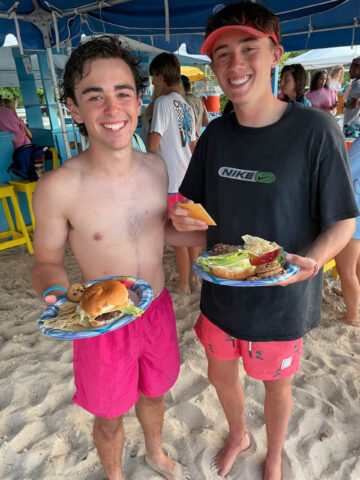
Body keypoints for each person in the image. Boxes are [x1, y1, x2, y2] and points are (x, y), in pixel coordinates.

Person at [169, 3, 358, 480]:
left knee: (276, 385)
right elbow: (191, 218)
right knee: (218, 375)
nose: (236, 65)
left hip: (283, 298)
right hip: (220, 295)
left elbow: (342, 224)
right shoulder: (214, 135)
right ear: (212, 67)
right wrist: (165, 220)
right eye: (223, 54)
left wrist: (311, 263)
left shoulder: (315, 130)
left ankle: (273, 453)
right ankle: (238, 434)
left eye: (248, 48)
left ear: (275, 53)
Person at [31, 36, 197, 480]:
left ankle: (156, 453)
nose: (112, 108)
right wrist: (53, 292)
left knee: (156, 393)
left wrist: (186, 229)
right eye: (94, 96)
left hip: (157, 308)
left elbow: (154, 232)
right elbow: (45, 259)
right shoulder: (57, 188)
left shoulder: (155, 167)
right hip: (102, 324)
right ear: (72, 107)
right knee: (108, 415)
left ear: (140, 100)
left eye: (123, 93)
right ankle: (115, 475)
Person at [148, 53, 199, 294]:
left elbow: (153, 143)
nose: (153, 84)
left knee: (178, 235)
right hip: (189, 176)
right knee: (190, 231)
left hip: (171, 179)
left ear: (159, 76)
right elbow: (193, 145)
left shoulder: (162, 102)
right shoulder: (185, 104)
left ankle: (184, 283)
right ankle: (195, 277)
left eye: (153, 79)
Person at [335, 136, 360, 327]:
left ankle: (352, 316)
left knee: (347, 270)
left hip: (354, 212)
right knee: (356, 266)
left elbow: (345, 173)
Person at [181, 74, 210, 139]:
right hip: (198, 141)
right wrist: (197, 123)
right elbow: (206, 122)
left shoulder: (180, 101)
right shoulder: (199, 100)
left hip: (186, 142)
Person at [343, 56, 360, 139]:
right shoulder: (356, 82)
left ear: (358, 69)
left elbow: (354, 105)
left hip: (351, 123)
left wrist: (343, 105)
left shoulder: (358, 84)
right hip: (354, 122)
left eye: (351, 68)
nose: (349, 71)